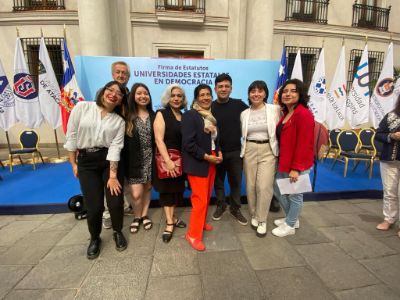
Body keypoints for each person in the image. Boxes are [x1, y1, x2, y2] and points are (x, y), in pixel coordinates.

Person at [64, 81, 128, 259]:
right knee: (94, 206)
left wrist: (113, 175)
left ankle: (117, 231)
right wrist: (74, 163)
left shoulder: (118, 121)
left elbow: (115, 148)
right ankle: (94, 238)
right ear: (103, 90)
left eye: (119, 93)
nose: (113, 94)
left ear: (121, 100)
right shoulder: (82, 107)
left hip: (109, 161)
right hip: (86, 162)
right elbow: (72, 135)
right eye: (110, 89)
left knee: (115, 201)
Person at [182, 84, 223, 251]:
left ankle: (201, 223)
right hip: (199, 162)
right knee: (199, 200)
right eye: (202, 95)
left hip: (211, 160)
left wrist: (219, 153)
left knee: (206, 196)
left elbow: (214, 139)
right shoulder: (190, 116)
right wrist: (206, 157)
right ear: (196, 98)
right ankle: (192, 235)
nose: (206, 97)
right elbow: (188, 144)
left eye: (208, 94)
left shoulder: (210, 116)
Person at [272, 79, 314, 237]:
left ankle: (290, 225)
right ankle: (292, 218)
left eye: (293, 91)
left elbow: (304, 143)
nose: (288, 94)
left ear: (300, 93)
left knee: (295, 195)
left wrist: (296, 168)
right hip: (285, 161)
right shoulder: (288, 112)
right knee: (278, 189)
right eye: (285, 91)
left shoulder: (303, 114)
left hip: (297, 164)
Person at [240, 80, 280, 237]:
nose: (256, 94)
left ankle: (262, 219)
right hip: (249, 149)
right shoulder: (244, 113)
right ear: (249, 94)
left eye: (260, 91)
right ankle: (254, 214)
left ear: (265, 94)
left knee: (264, 186)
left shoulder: (275, 110)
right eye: (253, 91)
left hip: (268, 150)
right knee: (250, 185)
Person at [211, 73, 248, 225]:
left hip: (235, 151)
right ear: (215, 89)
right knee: (218, 181)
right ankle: (221, 205)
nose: (223, 89)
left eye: (226, 86)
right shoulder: (209, 106)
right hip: (216, 151)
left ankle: (235, 208)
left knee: (236, 182)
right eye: (220, 86)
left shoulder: (240, 105)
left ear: (231, 88)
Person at [153, 84, 188, 243]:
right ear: (168, 97)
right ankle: (169, 223)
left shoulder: (184, 115)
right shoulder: (161, 113)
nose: (176, 98)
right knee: (167, 192)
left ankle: (173, 217)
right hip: (166, 159)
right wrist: (168, 161)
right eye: (173, 95)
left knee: (176, 192)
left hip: (181, 160)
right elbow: (159, 139)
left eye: (179, 96)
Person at [102, 61, 133, 230]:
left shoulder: (129, 93)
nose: (121, 75)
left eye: (124, 73)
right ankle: (107, 215)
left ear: (128, 76)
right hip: (110, 146)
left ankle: (126, 206)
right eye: (118, 72)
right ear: (113, 74)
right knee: (111, 181)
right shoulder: (107, 93)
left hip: (127, 145)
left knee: (127, 180)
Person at [122, 83, 155, 234]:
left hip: (151, 158)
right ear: (133, 96)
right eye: (139, 93)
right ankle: (136, 216)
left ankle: (144, 215)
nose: (143, 96)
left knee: (147, 187)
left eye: (146, 93)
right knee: (136, 193)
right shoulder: (126, 116)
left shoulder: (155, 116)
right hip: (133, 160)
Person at [375, 94, 400, 238]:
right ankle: (389, 219)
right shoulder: (391, 116)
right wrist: (392, 136)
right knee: (389, 191)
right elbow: (378, 134)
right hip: (389, 160)